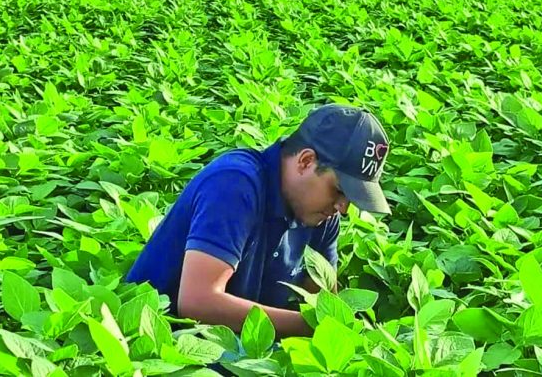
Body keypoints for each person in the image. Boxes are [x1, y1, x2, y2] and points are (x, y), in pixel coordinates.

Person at [124, 103, 393, 338]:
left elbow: (325, 305)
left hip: (242, 354)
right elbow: (197, 301)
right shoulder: (234, 183)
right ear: (306, 161)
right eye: (340, 190)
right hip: (156, 346)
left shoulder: (322, 216)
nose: (343, 208)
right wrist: (308, 326)